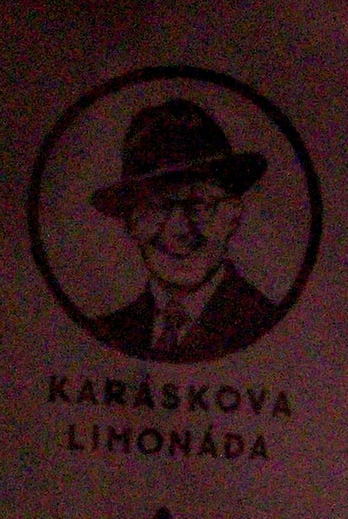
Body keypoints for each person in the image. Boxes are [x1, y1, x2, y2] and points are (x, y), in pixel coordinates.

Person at [79, 96, 292, 364]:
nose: (179, 229)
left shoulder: (269, 327)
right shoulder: (109, 333)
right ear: (131, 222)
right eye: (157, 206)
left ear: (233, 214)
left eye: (199, 203)